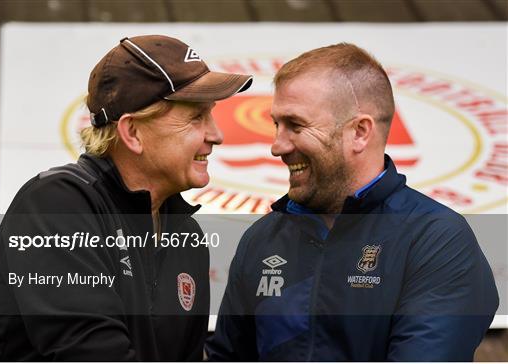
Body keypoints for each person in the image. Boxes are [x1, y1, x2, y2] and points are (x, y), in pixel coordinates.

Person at [205, 43, 498, 361]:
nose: (277, 146)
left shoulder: (435, 238)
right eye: (277, 125)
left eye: (296, 125)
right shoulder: (263, 239)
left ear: (360, 132)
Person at [0, 35, 252, 360]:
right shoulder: (57, 204)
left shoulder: (187, 237)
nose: (216, 135)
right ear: (132, 132)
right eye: (196, 117)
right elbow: (91, 354)